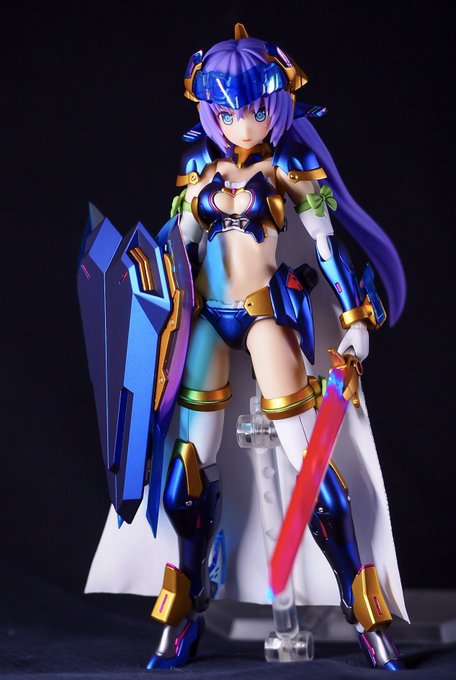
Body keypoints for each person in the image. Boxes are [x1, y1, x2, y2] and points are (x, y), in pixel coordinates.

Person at [83, 23, 408, 671]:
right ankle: (185, 608)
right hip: (205, 319)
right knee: (186, 471)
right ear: (211, 111)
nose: (242, 124)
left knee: (310, 465)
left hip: (264, 316)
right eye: (228, 113)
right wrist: (146, 309)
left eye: (255, 110)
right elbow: (175, 248)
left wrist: (354, 318)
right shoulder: (196, 167)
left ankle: (365, 611)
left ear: (277, 104)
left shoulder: (294, 167)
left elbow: (326, 244)